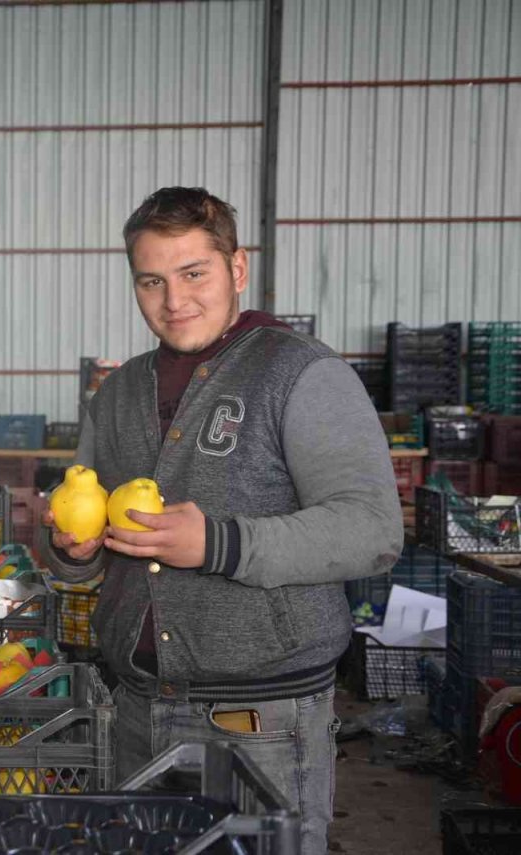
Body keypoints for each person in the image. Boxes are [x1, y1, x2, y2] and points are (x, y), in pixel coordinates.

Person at [42, 187, 403, 855]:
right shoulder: (118, 392)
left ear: (236, 269)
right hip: (138, 709)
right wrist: (72, 548)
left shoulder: (300, 373)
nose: (173, 299)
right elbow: (86, 546)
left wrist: (217, 542)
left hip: (260, 721)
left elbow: (372, 529)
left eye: (193, 274)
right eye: (151, 280)